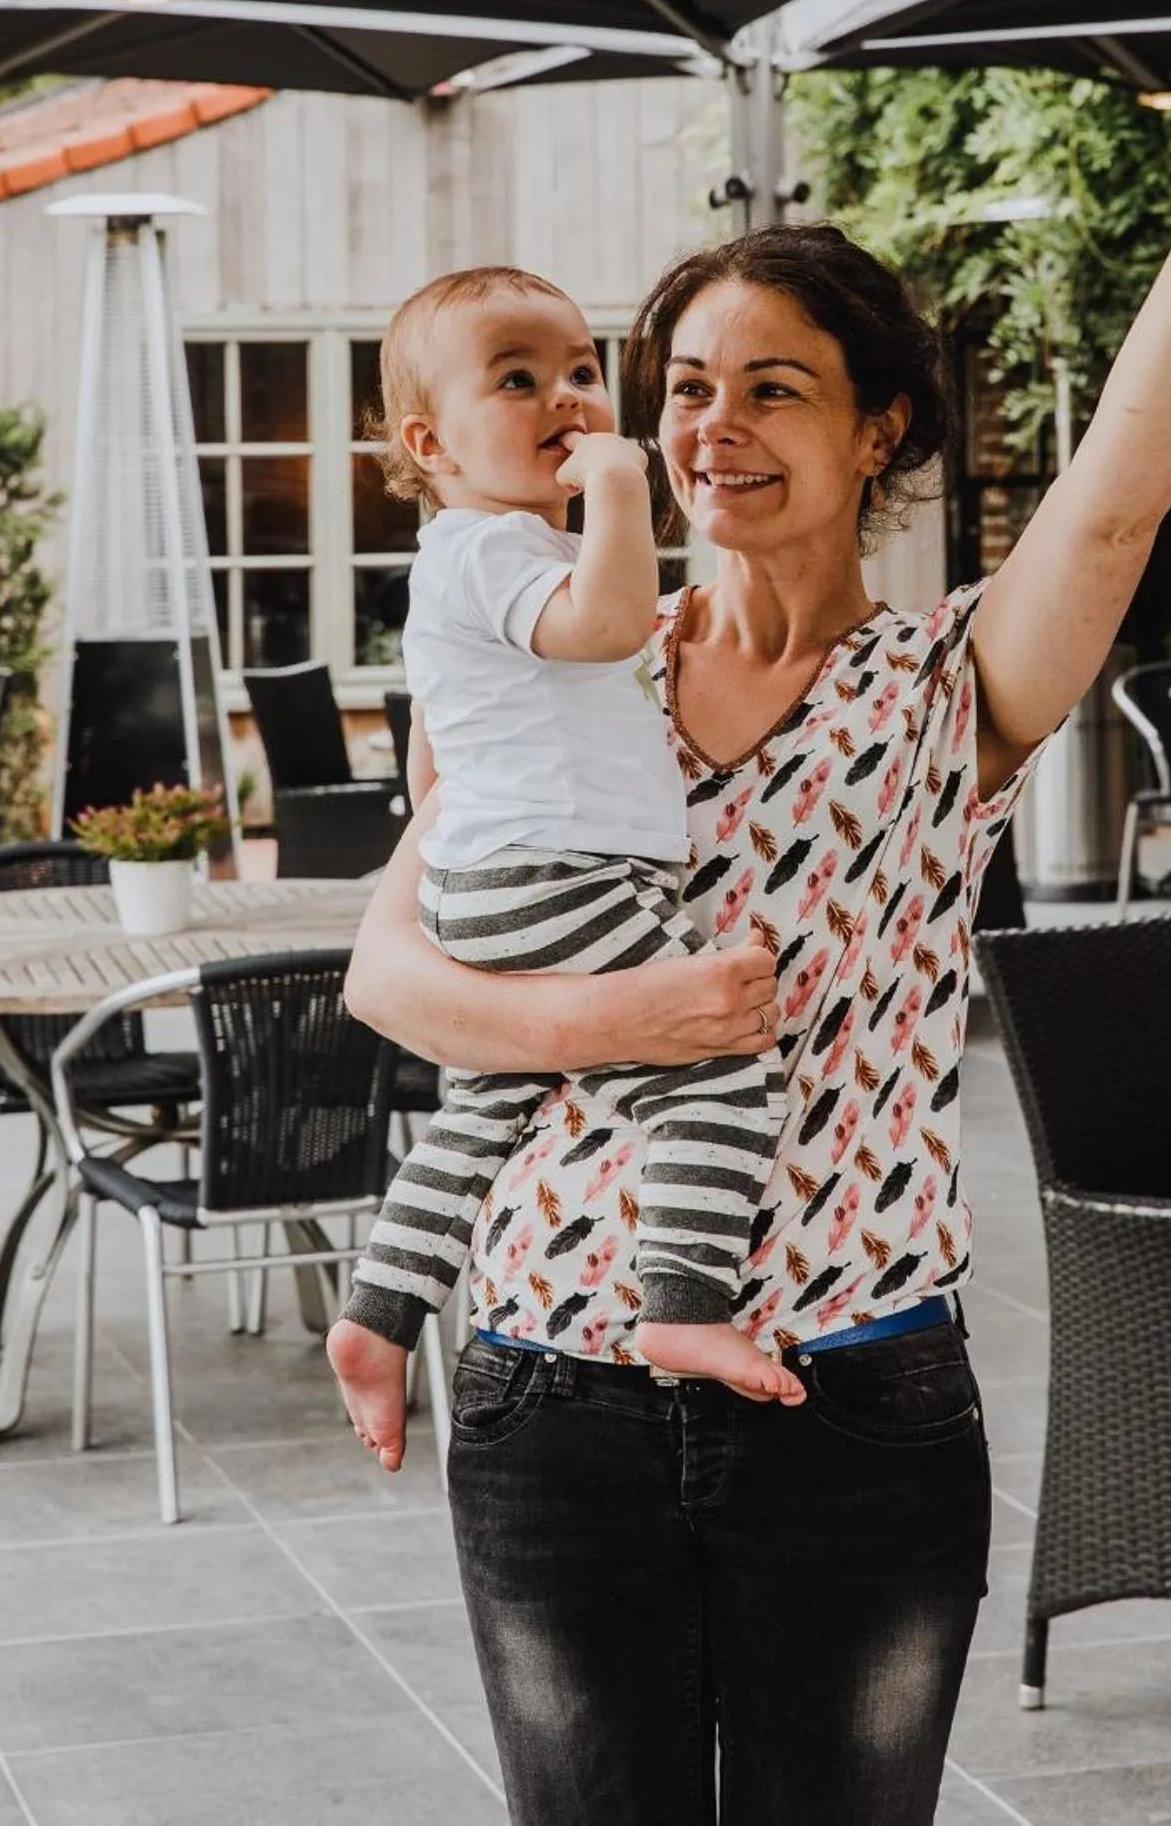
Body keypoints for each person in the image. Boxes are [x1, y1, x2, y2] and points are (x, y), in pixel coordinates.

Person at [342, 0, 1171, 1826]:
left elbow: (1124, 495)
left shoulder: (944, 693)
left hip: (855, 1406)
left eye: (774, 389)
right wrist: (621, 1025)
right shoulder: (554, 659)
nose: (712, 427)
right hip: (547, 1394)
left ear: (880, 430)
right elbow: (387, 976)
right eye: (681, 392)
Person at [328, 266, 803, 1476]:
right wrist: (622, 490)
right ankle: (682, 1302)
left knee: (490, 1096)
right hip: (550, 870)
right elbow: (607, 624)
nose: (567, 400)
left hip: (509, 871)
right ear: (431, 444)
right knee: (713, 1068)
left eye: (582, 373)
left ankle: (378, 1314)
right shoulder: (491, 551)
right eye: (518, 379)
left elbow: (458, 738)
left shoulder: (489, 554)